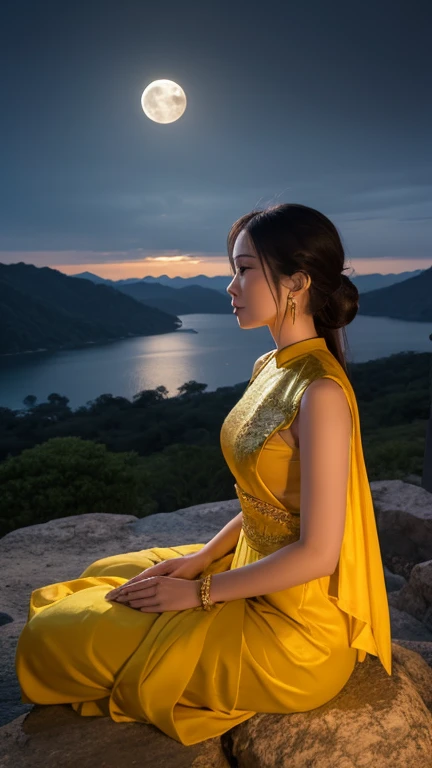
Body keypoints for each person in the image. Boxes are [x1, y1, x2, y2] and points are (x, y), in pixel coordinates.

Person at [15, 203, 392, 747]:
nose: (230, 286)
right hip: (252, 570)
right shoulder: (272, 367)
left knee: (52, 637)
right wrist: (200, 559)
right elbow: (266, 504)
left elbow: (319, 554)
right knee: (111, 572)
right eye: (233, 270)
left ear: (298, 282)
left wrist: (202, 592)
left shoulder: (322, 394)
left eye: (244, 270)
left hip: (295, 632)